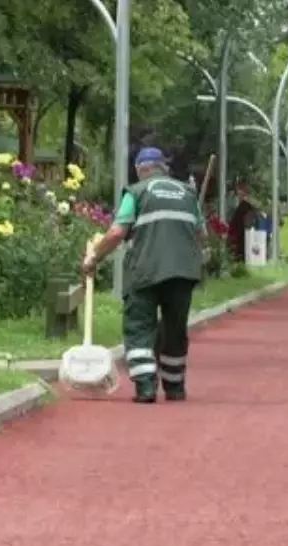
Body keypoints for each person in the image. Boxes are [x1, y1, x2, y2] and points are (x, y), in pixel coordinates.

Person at [80, 147, 205, 404]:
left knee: (139, 327)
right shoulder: (188, 193)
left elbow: (116, 233)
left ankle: (146, 387)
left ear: (140, 170)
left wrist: (94, 257)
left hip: (145, 271)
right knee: (174, 329)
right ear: (164, 168)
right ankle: (175, 387)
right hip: (183, 272)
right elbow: (201, 234)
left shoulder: (136, 192)